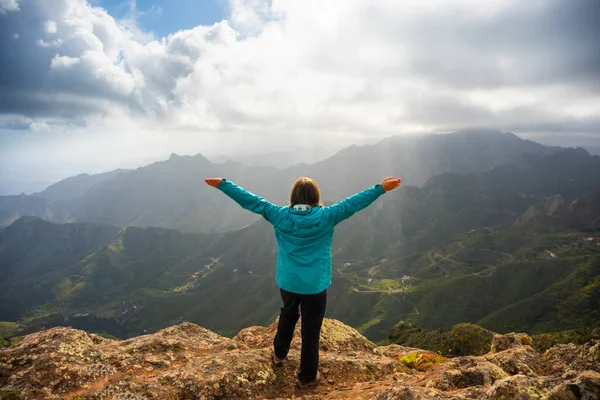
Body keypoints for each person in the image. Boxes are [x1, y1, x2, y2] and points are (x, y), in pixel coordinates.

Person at [204, 176, 402, 387]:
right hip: (316, 285)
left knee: (288, 314)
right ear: (316, 197)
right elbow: (353, 203)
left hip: (289, 282)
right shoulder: (328, 216)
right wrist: (380, 188)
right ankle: (307, 377)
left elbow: (252, 201)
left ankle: (279, 354)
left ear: (293, 197)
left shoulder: (279, 215)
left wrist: (223, 184)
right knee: (311, 329)